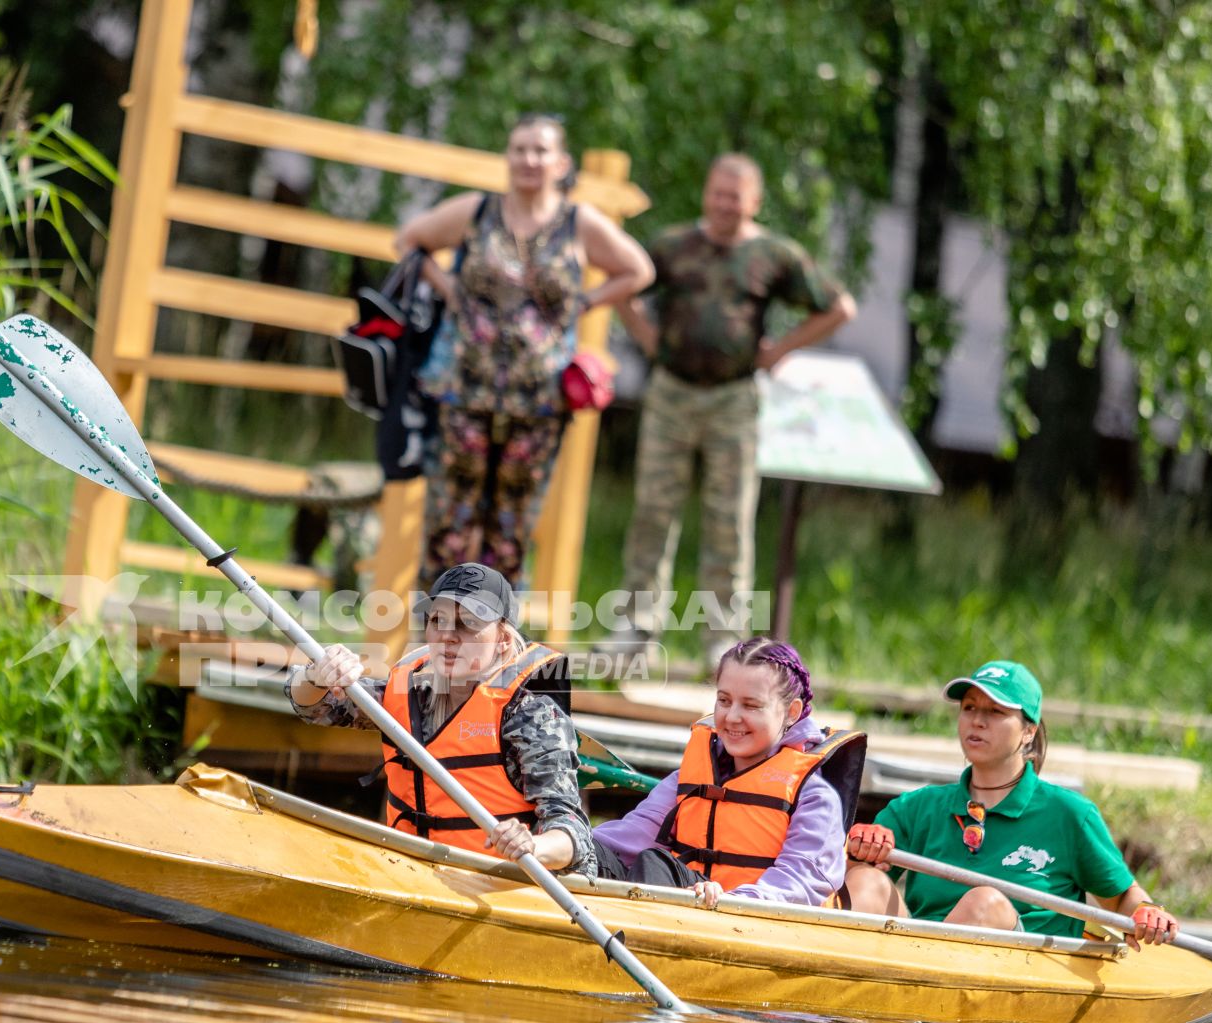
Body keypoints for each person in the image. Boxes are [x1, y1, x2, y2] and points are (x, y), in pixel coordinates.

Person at [396, 113, 654, 587]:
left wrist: (586, 303)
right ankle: (433, 643)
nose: (528, 160)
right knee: (448, 527)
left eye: (540, 151)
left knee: (510, 535)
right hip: (462, 394)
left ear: (561, 162)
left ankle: (498, 649)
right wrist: (450, 289)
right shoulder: (478, 212)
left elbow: (638, 270)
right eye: (519, 149)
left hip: (538, 403)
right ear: (508, 157)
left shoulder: (578, 223)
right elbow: (409, 241)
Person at [616, 154, 857, 660]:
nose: (725, 204)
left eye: (736, 195)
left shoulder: (772, 254)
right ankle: (637, 629)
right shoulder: (674, 245)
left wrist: (781, 349)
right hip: (671, 394)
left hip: (733, 400)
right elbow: (622, 279)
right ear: (706, 193)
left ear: (754, 201)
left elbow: (839, 307)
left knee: (729, 518)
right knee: (653, 511)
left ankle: (723, 639)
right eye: (717, 192)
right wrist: (646, 336)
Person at [287, 563, 597, 874]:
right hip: (414, 870)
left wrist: (533, 846)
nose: (447, 636)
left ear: (503, 639)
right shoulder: (413, 694)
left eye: (468, 624)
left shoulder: (530, 715)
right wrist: (317, 675)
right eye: (438, 620)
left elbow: (572, 832)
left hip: (507, 883)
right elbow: (314, 707)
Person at [843, 660, 1181, 946]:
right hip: (917, 955)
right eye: (970, 708)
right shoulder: (916, 807)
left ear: (1028, 732)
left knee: (983, 902)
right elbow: (842, 881)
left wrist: (1147, 912)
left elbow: (1123, 898)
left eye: (995, 711)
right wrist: (860, 853)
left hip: (1024, 966)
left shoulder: (1070, 814)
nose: (977, 720)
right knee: (864, 881)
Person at [592, 637, 865, 907]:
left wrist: (730, 901)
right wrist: (568, 841)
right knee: (593, 854)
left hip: (759, 922)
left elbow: (800, 881)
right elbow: (628, 837)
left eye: (751, 705)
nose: (732, 717)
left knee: (655, 864)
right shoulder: (686, 779)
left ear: (791, 712)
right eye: (724, 701)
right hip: (694, 906)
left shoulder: (815, 797)